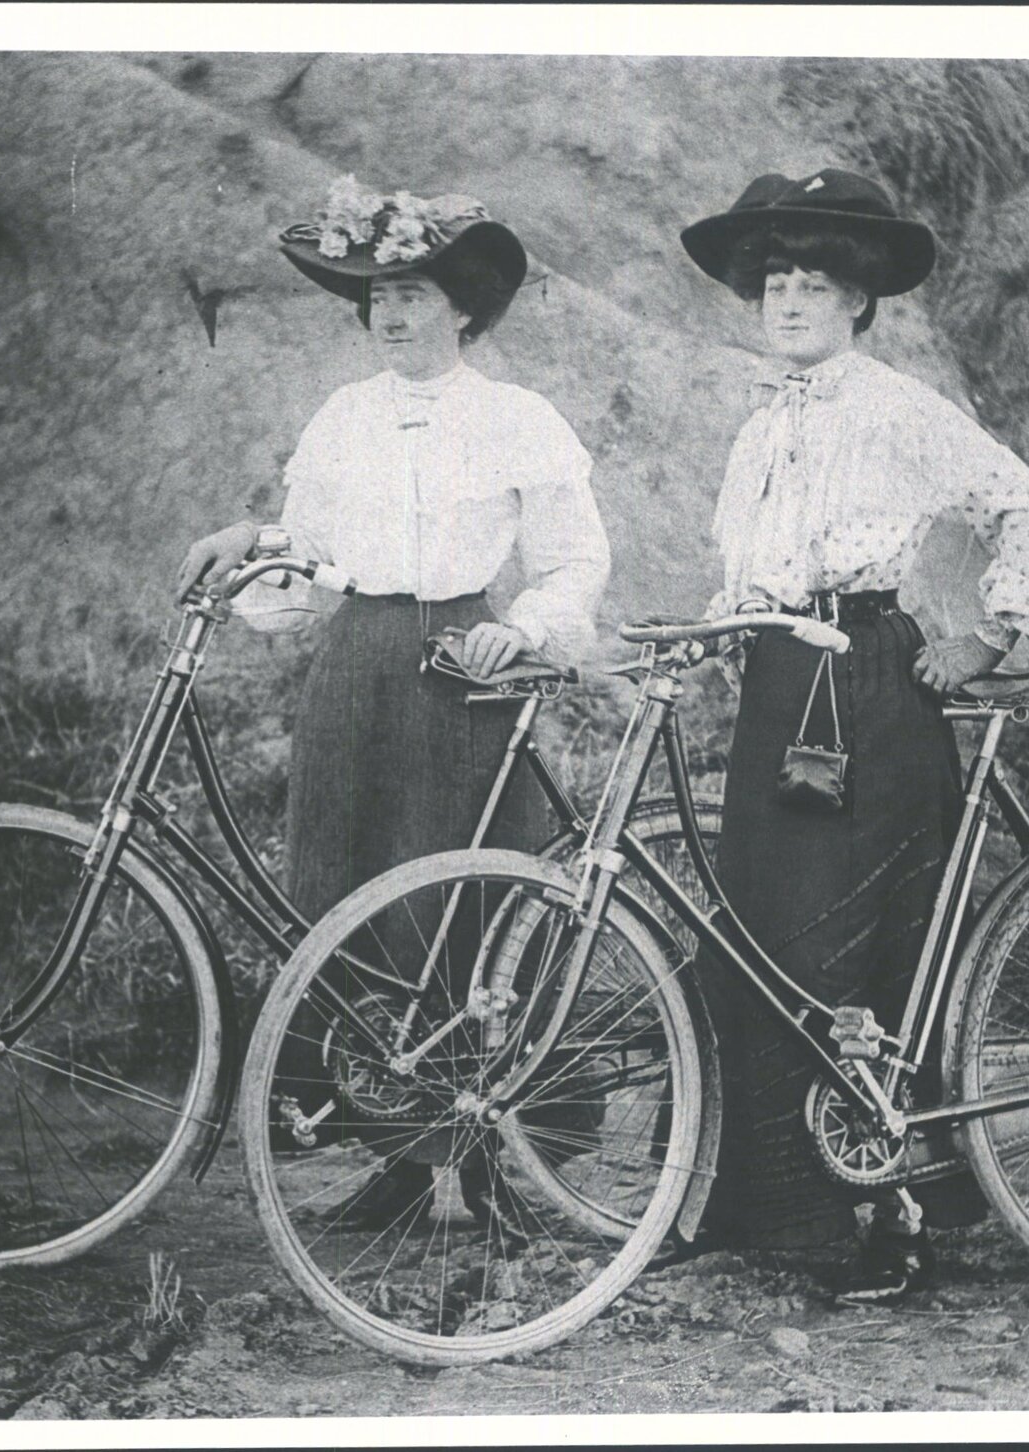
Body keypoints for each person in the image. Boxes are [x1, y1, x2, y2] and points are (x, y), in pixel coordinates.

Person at [678, 169, 1029, 1303]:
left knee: (856, 947)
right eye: (775, 282)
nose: (789, 301)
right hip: (779, 690)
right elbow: (750, 573)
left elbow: (1025, 504)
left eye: (814, 283)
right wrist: (709, 635)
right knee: (763, 941)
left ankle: (892, 1213)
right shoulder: (761, 426)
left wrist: (992, 637)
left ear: (858, 301)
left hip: (865, 689)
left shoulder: (896, 408)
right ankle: (774, 1209)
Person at [177, 177, 610, 1221]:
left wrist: (525, 630)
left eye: (413, 294)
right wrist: (251, 543)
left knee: (461, 903)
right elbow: (307, 553)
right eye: (378, 298)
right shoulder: (343, 417)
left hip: (464, 673)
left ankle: (492, 1160)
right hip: (358, 671)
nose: (392, 316)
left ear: (462, 307)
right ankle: (400, 1159)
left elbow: (573, 559)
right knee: (349, 888)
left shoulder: (517, 419)